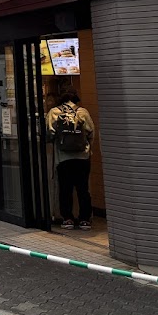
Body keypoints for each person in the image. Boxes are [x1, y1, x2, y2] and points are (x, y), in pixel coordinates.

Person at [47, 89, 95, 230]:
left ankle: (67, 218)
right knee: (83, 189)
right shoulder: (83, 112)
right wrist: (88, 149)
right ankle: (85, 219)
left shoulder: (54, 112)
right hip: (82, 157)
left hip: (63, 158)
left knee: (65, 188)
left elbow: (50, 134)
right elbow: (91, 133)